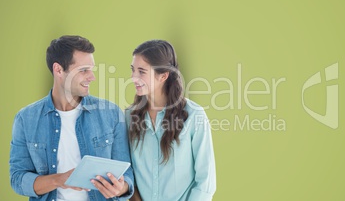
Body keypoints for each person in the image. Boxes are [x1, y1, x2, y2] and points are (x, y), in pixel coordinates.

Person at [9, 35, 134, 201]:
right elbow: (17, 179)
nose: (92, 77)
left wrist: (120, 188)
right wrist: (59, 180)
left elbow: (127, 175)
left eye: (91, 70)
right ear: (59, 70)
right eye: (83, 70)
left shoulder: (111, 114)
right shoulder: (26, 119)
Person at [126, 40, 216, 201]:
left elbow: (206, 180)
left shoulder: (194, 115)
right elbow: (129, 172)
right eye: (133, 70)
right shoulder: (128, 116)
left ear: (163, 76)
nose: (133, 77)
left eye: (141, 71)